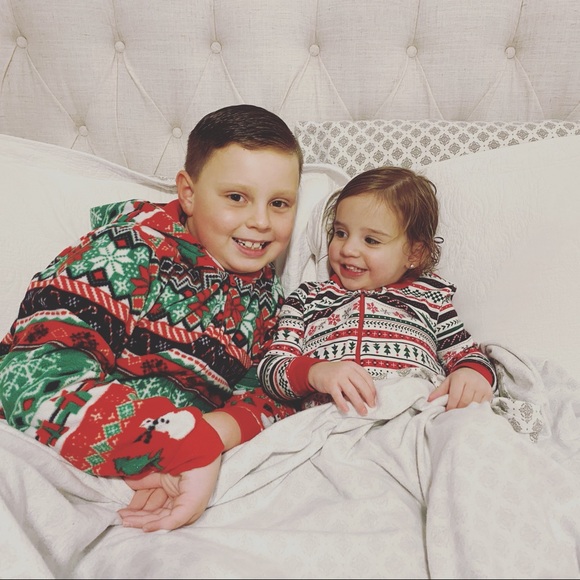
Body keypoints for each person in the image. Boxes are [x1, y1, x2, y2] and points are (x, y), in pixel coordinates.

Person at [0, 104, 303, 532]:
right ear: (189, 193)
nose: (260, 221)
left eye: (279, 203)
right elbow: (30, 383)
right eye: (236, 197)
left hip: (163, 474)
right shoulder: (124, 252)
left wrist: (210, 436)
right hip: (38, 445)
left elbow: (274, 392)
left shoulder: (269, 299)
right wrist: (181, 444)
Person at [258, 166, 496, 417]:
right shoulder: (307, 298)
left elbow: (467, 355)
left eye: (371, 240)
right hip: (331, 419)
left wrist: (470, 374)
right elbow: (271, 369)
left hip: (414, 414)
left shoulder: (431, 298)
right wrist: (314, 372)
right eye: (341, 233)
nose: (348, 249)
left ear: (414, 254)